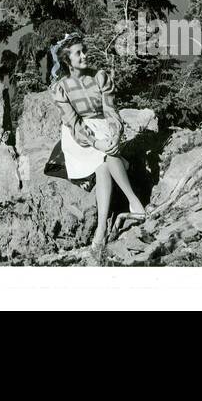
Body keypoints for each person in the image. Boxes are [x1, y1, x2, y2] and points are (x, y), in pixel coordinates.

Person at [49, 34, 147, 251]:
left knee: (103, 166)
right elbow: (73, 123)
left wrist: (114, 133)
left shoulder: (100, 77)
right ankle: (135, 203)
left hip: (103, 127)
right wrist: (96, 142)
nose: (84, 55)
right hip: (79, 139)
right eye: (78, 53)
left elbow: (111, 111)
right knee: (106, 154)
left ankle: (102, 228)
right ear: (67, 60)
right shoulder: (61, 88)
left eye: (84, 50)